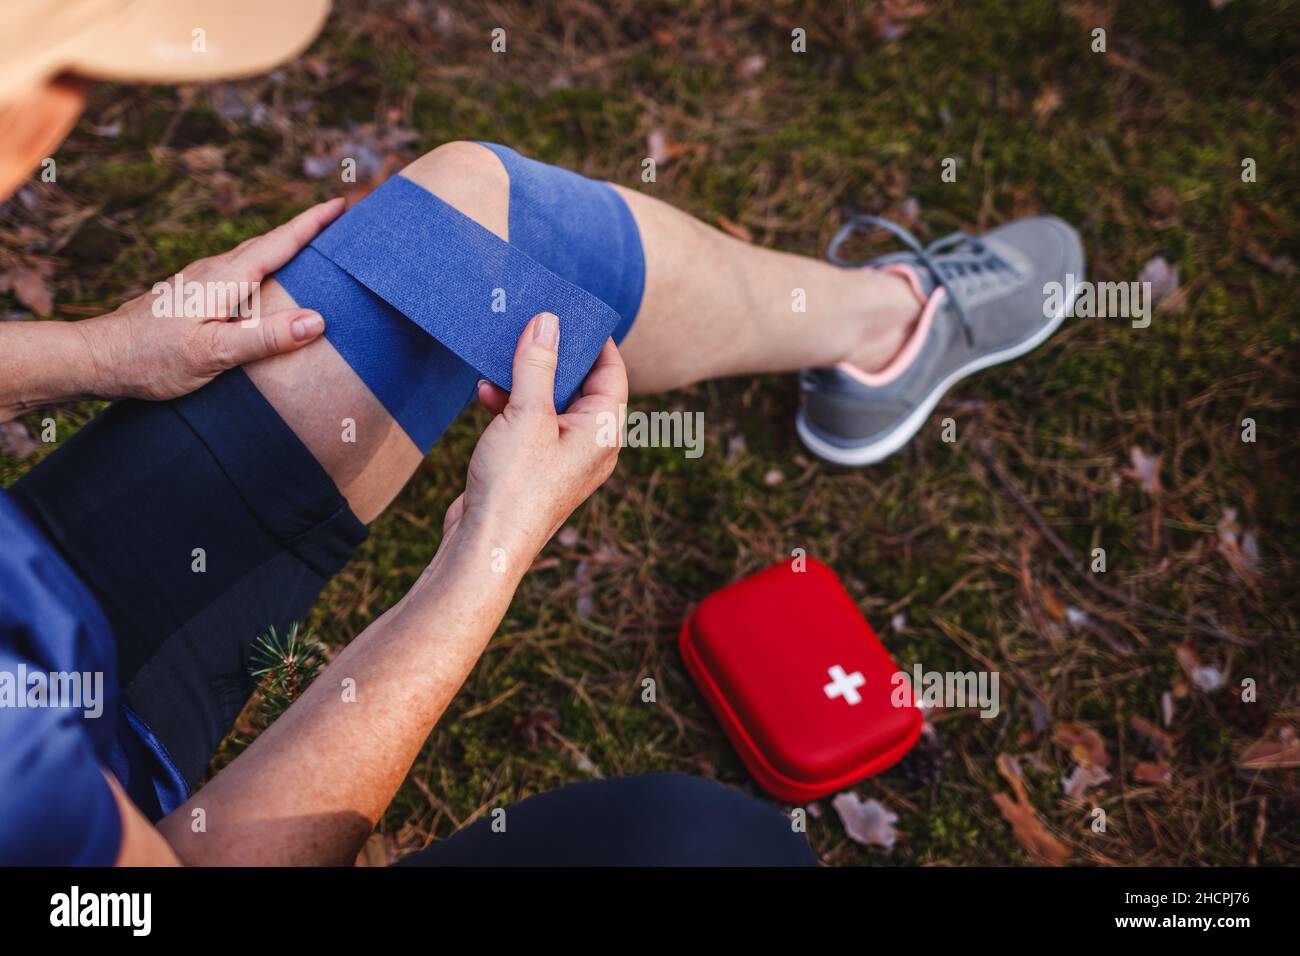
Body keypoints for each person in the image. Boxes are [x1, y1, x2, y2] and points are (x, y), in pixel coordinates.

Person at [0, 0, 1082, 866]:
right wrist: (492, 548)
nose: (71, 112)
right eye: (76, 77)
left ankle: (879, 330)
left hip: (34, 596)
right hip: (92, 797)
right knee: (714, 852)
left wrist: (99, 350)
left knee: (473, 225)